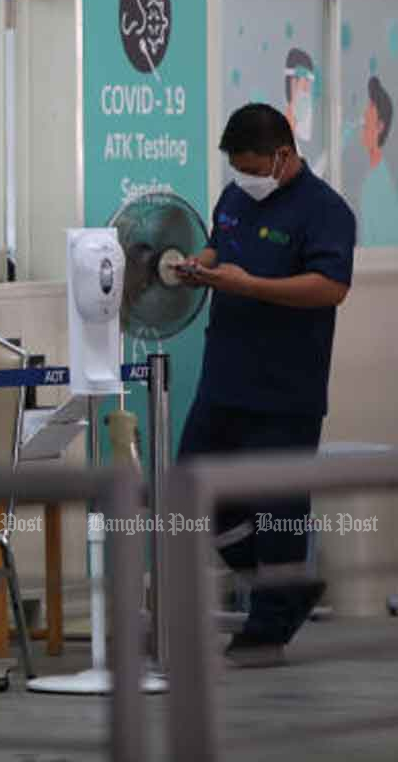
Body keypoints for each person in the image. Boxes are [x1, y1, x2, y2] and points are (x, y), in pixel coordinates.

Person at [174, 103, 355, 668]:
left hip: (285, 390)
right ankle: (289, 590)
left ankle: (269, 628)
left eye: (252, 167)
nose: (244, 179)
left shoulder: (326, 211)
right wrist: (197, 265)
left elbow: (330, 288)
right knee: (195, 493)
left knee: (278, 512)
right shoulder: (234, 197)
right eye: (237, 168)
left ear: (282, 154)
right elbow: (218, 245)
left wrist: (251, 285)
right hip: (223, 378)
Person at [356, 76, 398, 245]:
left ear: (380, 127)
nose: (362, 130)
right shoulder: (373, 176)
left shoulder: (379, 183)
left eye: (366, 125)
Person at [282, 48, 325, 176]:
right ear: (292, 83)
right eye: (305, 87)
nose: (309, 99)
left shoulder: (293, 142)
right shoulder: (278, 142)